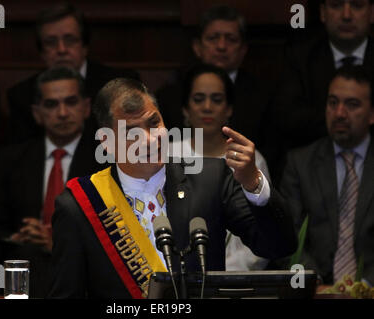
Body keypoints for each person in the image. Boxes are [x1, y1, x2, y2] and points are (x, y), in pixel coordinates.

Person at [48, 77, 297, 298]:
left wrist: (253, 181)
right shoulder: (80, 206)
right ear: (107, 142)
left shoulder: (211, 178)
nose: (149, 139)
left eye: (154, 123)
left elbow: (278, 246)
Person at [0, 66, 104, 298]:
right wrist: (19, 236)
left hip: (86, 268)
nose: (62, 113)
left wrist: (56, 241)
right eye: (52, 104)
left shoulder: (105, 160)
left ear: (86, 107)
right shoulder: (11, 159)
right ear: (37, 113)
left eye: (71, 102)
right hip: (26, 263)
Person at [280, 65, 374, 286]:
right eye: (333, 103)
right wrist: (316, 283)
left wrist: (365, 287)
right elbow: (286, 236)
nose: (339, 113)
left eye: (352, 105)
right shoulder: (300, 163)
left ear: (371, 114)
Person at [170, 63, 270, 270]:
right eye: (198, 99)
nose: (207, 107)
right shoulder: (167, 154)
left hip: (239, 280)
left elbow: (264, 230)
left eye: (217, 99)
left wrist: (220, 272)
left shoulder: (249, 158)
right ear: (185, 109)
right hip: (177, 275)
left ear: (229, 109)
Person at [271, 0, 374, 182]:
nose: (346, 15)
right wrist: (356, 123)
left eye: (357, 6)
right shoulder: (300, 56)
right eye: (336, 5)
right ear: (323, 13)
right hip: (313, 170)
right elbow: (289, 119)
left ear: (372, 12)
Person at [7, 3, 140, 144]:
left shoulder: (120, 86)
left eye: (70, 40)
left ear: (84, 47)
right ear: (42, 52)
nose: (61, 49)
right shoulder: (22, 95)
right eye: (51, 43)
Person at [156, 5, 270, 149]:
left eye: (231, 39)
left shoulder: (263, 97)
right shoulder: (170, 96)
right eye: (213, 38)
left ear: (243, 50)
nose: (221, 46)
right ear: (197, 47)